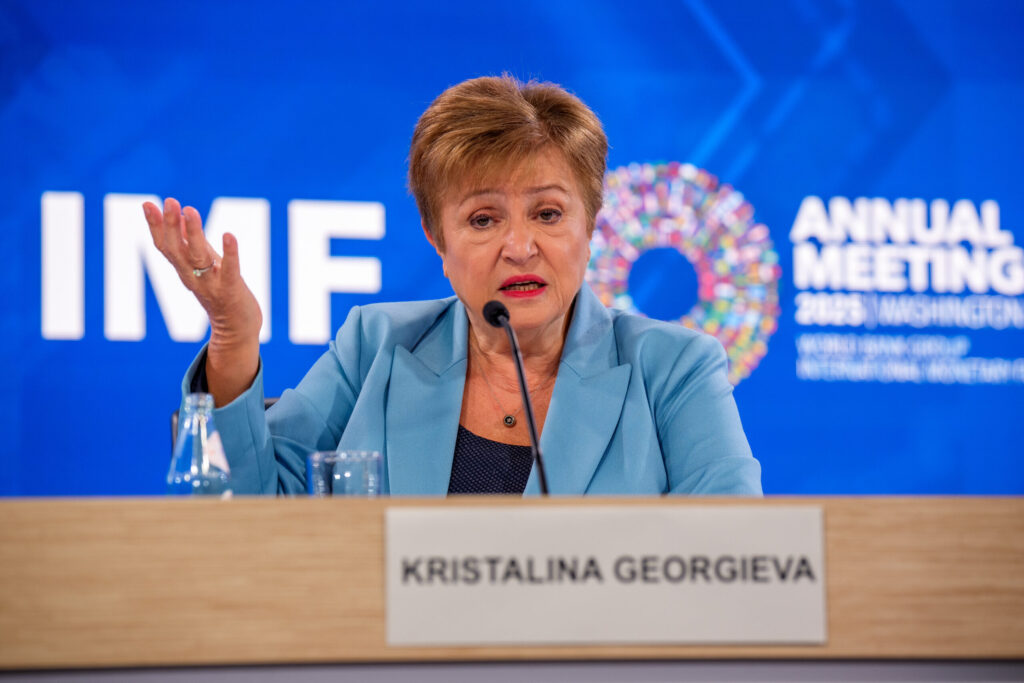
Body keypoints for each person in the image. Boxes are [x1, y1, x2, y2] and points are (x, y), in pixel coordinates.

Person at [143, 75, 762, 496]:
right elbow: (236, 513)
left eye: (548, 214)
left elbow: (737, 557)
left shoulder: (673, 368)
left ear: (590, 225)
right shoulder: (378, 347)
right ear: (438, 239)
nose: (520, 247)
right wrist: (233, 338)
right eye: (483, 219)